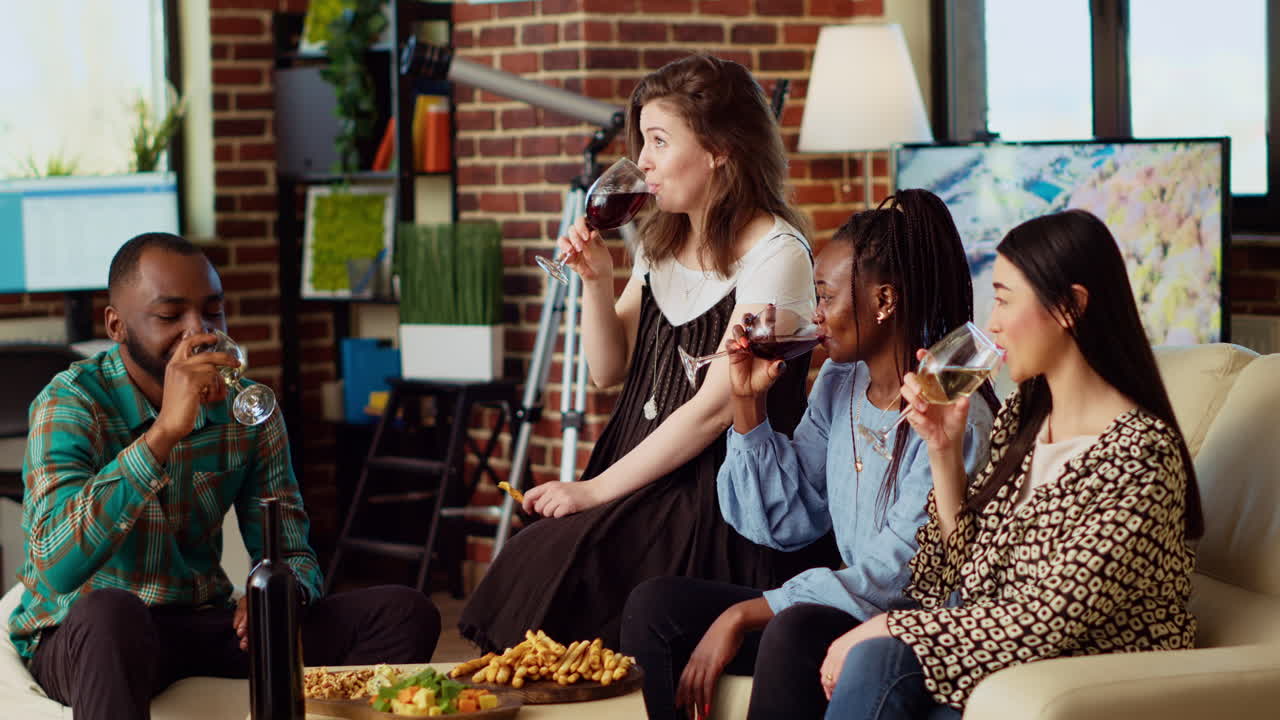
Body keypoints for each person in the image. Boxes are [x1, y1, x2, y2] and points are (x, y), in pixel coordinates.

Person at [460, 53, 837, 653]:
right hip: (640, 472)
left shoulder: (777, 253)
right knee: (537, 556)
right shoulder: (664, 240)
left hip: (714, 496)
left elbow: (717, 409)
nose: (642, 162)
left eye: (659, 141)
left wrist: (594, 491)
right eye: (642, 141)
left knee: (563, 568)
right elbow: (608, 373)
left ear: (720, 150)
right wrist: (595, 281)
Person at [9, 233, 442, 720]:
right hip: (85, 633)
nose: (200, 332)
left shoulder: (249, 407)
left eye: (212, 312)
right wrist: (163, 434)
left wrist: (281, 597)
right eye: (171, 316)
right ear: (116, 325)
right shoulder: (70, 402)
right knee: (114, 614)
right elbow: (51, 565)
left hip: (196, 622)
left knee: (403, 613)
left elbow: (292, 551)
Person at [621, 191, 999, 720]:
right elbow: (787, 519)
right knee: (655, 607)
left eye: (825, 297)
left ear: (883, 301)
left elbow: (898, 575)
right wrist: (748, 403)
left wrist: (742, 614)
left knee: (792, 629)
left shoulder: (952, 413)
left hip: (905, 626)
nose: (816, 316)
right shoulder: (841, 383)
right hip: (848, 607)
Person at [821, 209, 1203, 719]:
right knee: (855, 656)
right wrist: (942, 450)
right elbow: (950, 576)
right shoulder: (1025, 416)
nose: (991, 324)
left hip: (1075, 684)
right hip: (998, 673)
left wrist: (888, 626)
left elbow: (1044, 620)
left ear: (1070, 307)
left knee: (879, 656)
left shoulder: (1140, 457)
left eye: (1003, 299)